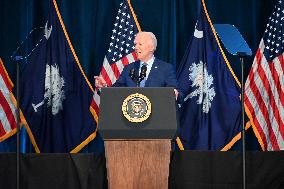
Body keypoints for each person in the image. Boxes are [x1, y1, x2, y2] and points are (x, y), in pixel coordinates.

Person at [95, 31, 181, 100]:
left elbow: (176, 91)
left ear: (151, 47)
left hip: (156, 117)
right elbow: (117, 91)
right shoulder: (129, 68)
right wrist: (105, 87)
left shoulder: (165, 68)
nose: (136, 47)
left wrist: (174, 93)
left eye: (140, 44)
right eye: (135, 44)